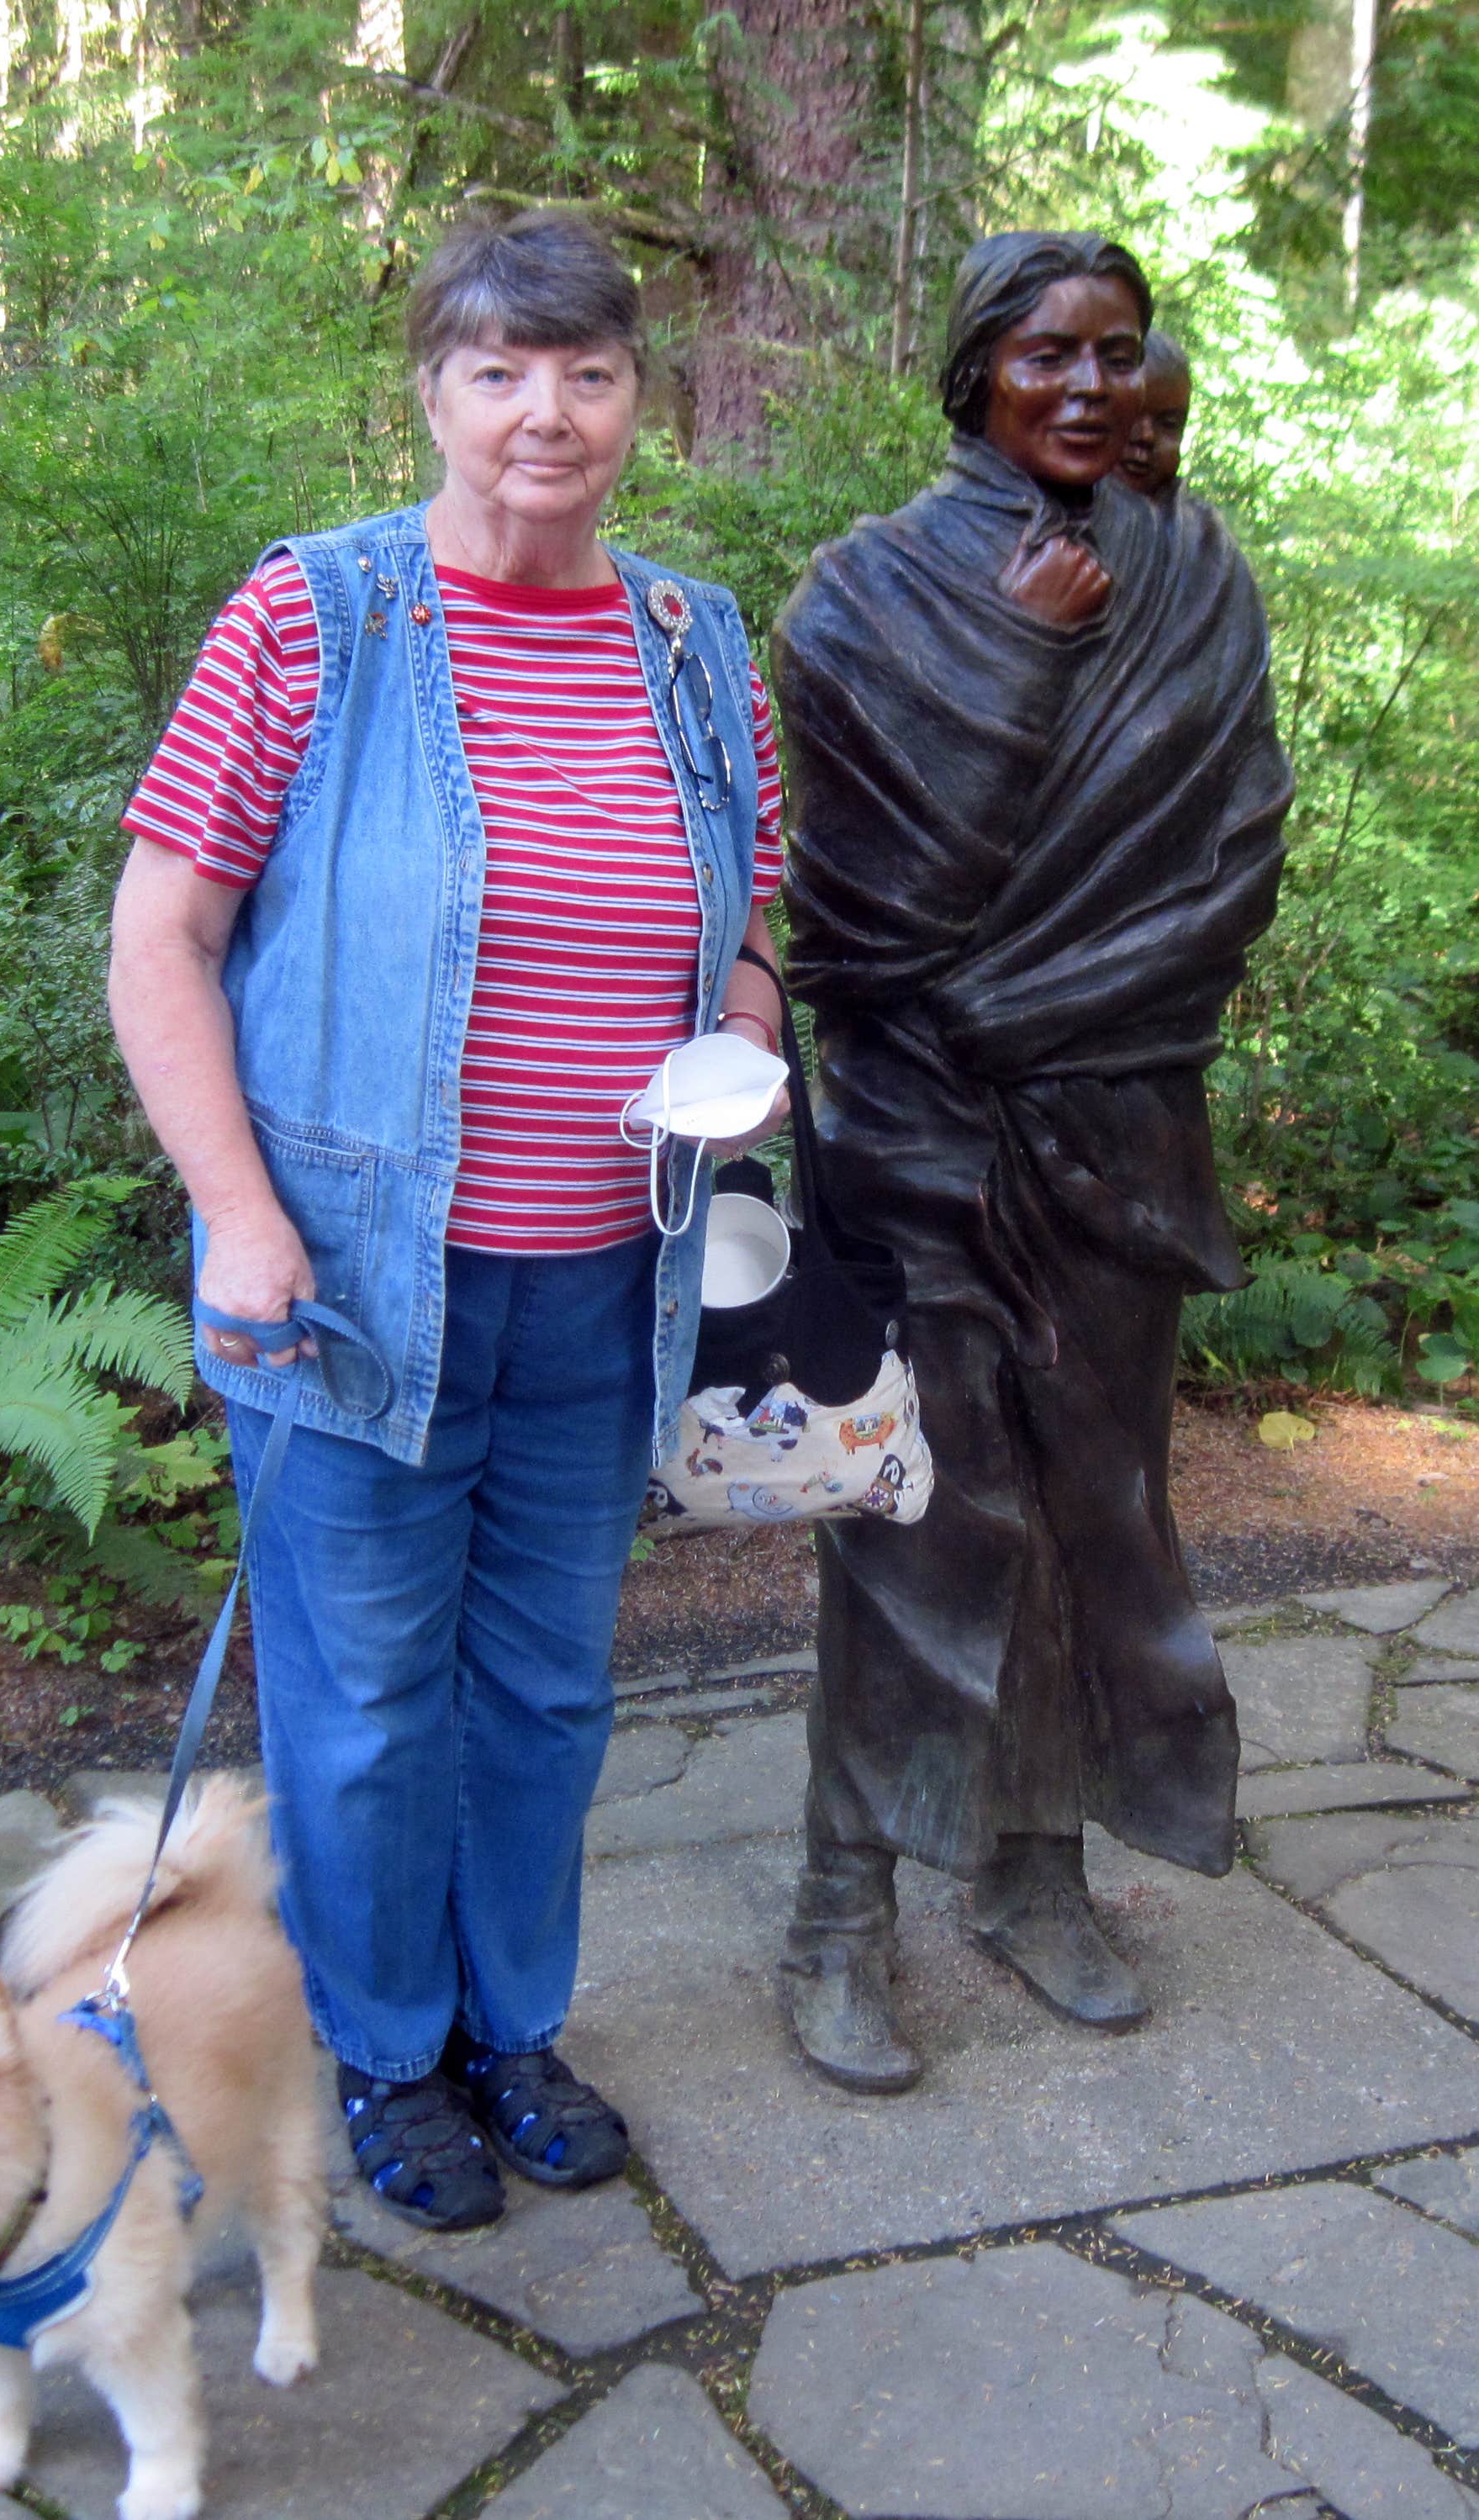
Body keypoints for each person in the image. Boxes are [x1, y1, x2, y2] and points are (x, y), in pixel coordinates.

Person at [108, 210, 784, 2227]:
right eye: (496, 371)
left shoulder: (695, 638)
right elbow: (163, 933)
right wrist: (235, 1211)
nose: (542, 416)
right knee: (369, 1691)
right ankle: (390, 2053)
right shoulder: (313, 618)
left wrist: (744, 1017)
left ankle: (515, 2026)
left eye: (584, 373)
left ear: (636, 400)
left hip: (607, 1275)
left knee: (553, 1686)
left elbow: (766, 899)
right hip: (350, 1288)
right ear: (430, 390)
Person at [769, 232, 1292, 2094]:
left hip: (1121, 1118)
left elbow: (1233, 861)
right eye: (1044, 350)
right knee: (916, 1512)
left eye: (1116, 351)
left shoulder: (1198, 574)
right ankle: (841, 1903)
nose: (1083, 383)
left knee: (1098, 1499)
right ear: (973, 369)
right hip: (920, 1122)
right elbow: (853, 920)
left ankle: (1035, 1863)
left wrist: (1049, 1012)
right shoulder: (863, 597)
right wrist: (1017, 657)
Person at [1119, 326, 1192, 500]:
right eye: (1131, 415)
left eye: (1168, 424)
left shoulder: (1196, 525)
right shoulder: (1050, 513)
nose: (1146, 435)